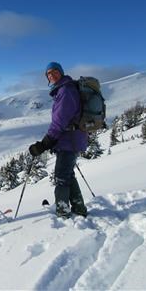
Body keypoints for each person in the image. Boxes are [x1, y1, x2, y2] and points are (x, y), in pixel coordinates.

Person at [29, 62, 88, 218]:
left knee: (61, 177)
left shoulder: (66, 90)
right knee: (68, 175)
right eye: (48, 73)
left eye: (55, 71)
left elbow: (59, 122)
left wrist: (44, 143)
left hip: (70, 140)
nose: (52, 75)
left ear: (61, 72)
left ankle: (63, 212)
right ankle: (79, 208)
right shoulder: (64, 89)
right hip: (71, 139)